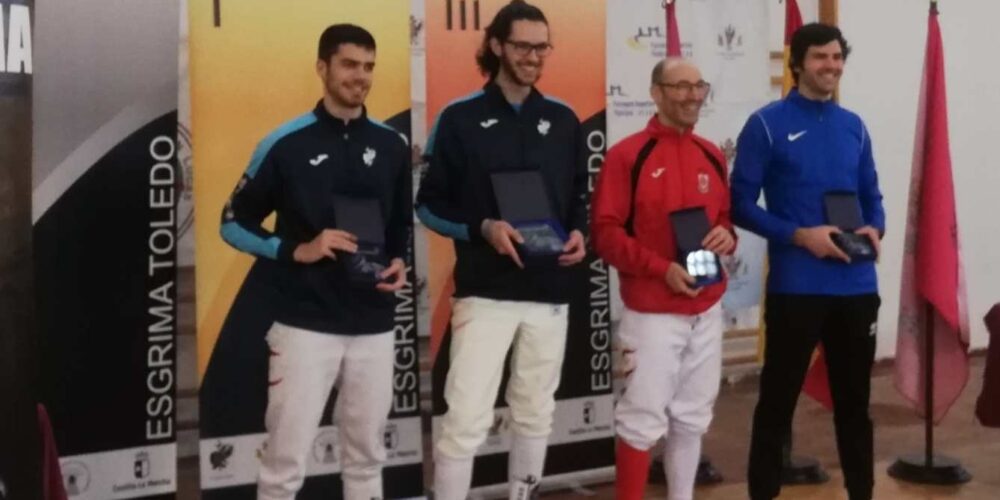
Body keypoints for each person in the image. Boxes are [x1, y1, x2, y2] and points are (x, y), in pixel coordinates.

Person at [219, 24, 410, 500]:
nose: (360, 77)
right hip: (304, 324)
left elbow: (398, 226)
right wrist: (294, 249)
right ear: (322, 67)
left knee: (367, 459)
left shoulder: (392, 145)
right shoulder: (284, 143)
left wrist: (400, 262)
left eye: (368, 67)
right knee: (285, 463)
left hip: (374, 325)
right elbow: (231, 222)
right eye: (349, 64)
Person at [414, 1, 588, 498]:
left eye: (542, 46)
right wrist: (483, 227)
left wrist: (581, 234)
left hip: (549, 292)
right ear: (496, 45)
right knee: (465, 420)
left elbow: (578, 196)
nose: (534, 57)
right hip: (485, 294)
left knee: (535, 411)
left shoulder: (562, 119)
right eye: (523, 46)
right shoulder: (460, 118)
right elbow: (427, 206)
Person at [730, 23, 885, 500]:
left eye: (838, 58)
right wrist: (799, 235)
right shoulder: (765, 124)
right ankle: (763, 493)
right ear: (797, 62)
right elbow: (740, 204)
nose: (831, 67)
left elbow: (872, 197)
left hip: (857, 288)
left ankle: (862, 492)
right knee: (777, 401)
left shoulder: (854, 126)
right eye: (821, 57)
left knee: (855, 405)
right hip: (797, 287)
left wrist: (874, 230)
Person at [591, 58, 735, 500]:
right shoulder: (627, 156)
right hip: (652, 315)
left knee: (693, 417)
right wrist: (660, 270)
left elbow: (725, 220)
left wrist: (727, 237)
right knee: (640, 420)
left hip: (707, 310)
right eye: (681, 87)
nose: (692, 95)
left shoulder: (711, 152)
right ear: (656, 92)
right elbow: (606, 235)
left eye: (699, 86)